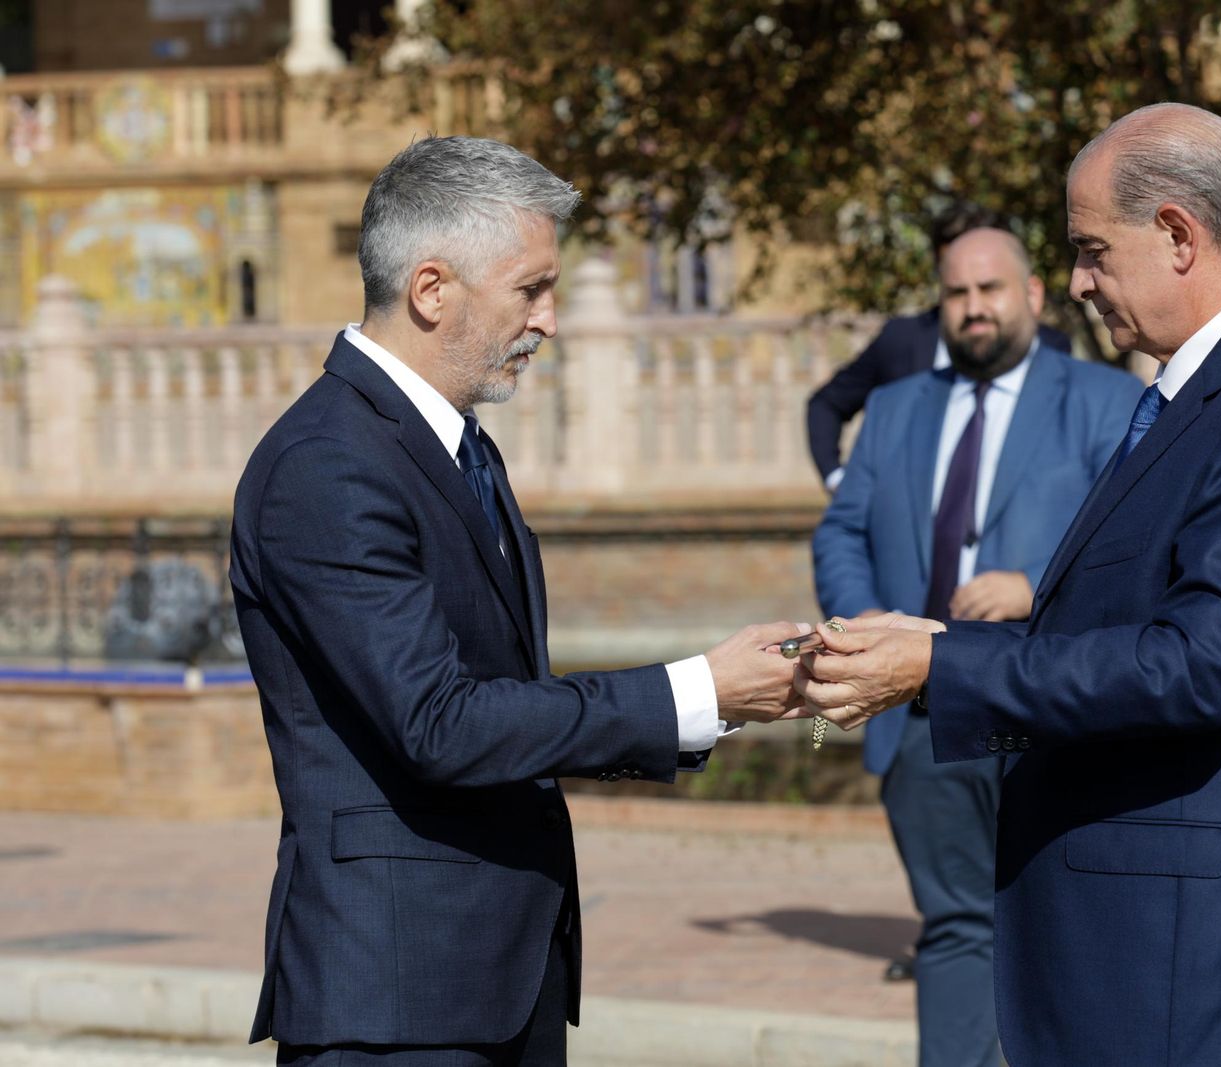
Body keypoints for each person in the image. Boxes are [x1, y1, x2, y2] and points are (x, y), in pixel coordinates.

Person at [796, 103, 1221, 1067]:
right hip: (1149, 946)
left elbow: (1197, 666)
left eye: (1090, 251)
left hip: (1197, 964)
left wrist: (943, 665)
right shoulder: (1207, 391)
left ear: (1176, 235)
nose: (1074, 284)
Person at [230, 136, 803, 1066]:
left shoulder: (456, 446)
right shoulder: (327, 465)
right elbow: (441, 723)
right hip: (399, 996)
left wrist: (716, 701)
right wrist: (694, 690)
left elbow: (507, 692)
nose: (550, 319)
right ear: (432, 290)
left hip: (498, 973)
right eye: (530, 289)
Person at [812, 227, 1141, 1066]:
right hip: (923, 713)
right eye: (957, 294)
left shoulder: (1105, 402)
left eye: (991, 289)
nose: (975, 308)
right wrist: (868, 629)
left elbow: (1132, 544)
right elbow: (841, 534)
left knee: (1067, 927)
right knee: (956, 922)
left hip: (1049, 707)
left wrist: (1035, 587)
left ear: (1032, 296)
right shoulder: (893, 408)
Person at [805, 203, 1072, 492]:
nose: (973, 306)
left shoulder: (1048, 347)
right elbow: (827, 404)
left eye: (987, 283)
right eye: (956, 279)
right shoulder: (902, 340)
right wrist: (839, 481)